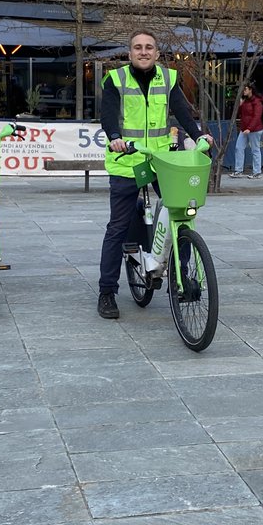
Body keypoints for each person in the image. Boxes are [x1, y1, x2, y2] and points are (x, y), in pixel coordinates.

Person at [97, 29, 212, 320]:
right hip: (127, 160)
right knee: (117, 227)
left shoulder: (169, 78)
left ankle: (181, 275)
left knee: (181, 215)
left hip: (160, 161)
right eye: (138, 47)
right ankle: (107, 291)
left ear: (157, 53)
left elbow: (184, 113)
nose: (143, 51)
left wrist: (200, 136)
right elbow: (108, 115)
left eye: (149, 47)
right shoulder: (116, 79)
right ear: (130, 52)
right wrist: (114, 136)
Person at [230, 83, 263, 178]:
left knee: (255, 150)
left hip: (254, 129)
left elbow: (257, 116)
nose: (243, 91)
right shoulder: (245, 101)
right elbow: (242, 114)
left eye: (245, 89)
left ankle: (257, 172)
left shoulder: (257, 102)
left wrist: (249, 128)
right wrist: (240, 106)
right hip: (245, 129)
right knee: (239, 148)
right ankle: (238, 170)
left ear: (250, 90)